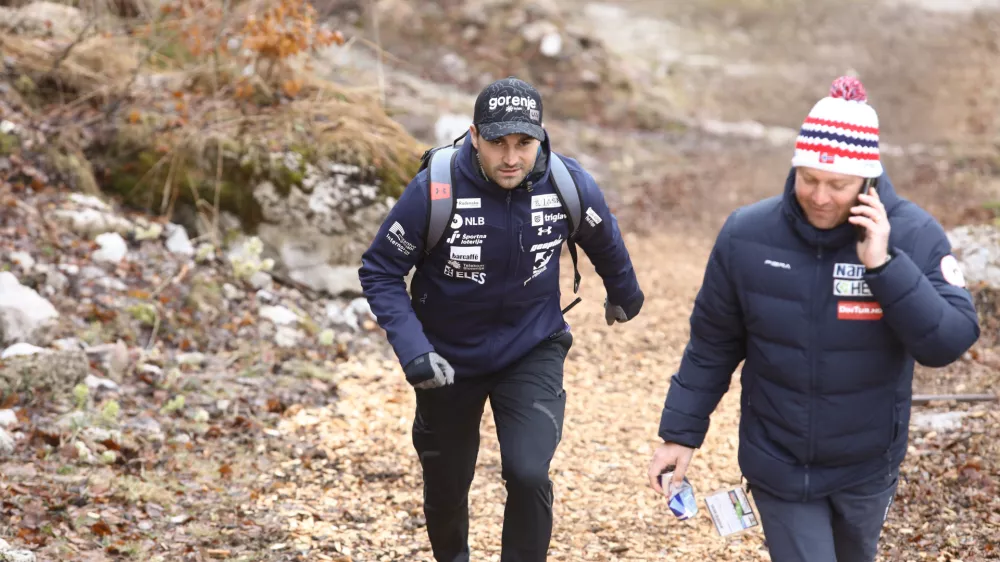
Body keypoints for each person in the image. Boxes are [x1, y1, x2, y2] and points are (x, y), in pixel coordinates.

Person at [646, 75, 980, 562]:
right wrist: (680, 434)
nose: (821, 197)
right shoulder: (747, 235)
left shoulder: (915, 233)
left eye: (837, 185)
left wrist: (885, 266)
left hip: (867, 465)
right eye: (809, 179)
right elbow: (713, 343)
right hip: (777, 461)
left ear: (867, 180)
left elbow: (948, 342)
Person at [359, 76, 645, 562]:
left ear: (540, 137)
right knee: (448, 482)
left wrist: (624, 293)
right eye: (497, 143)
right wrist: (415, 351)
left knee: (529, 470)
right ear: (474, 137)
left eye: (523, 143)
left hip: (532, 346)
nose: (511, 157)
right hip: (445, 355)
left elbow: (605, 239)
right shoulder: (436, 189)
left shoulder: (566, 184)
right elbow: (381, 270)